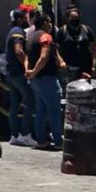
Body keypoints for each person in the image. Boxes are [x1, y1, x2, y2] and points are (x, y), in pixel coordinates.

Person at [26, 14, 65, 151]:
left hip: (36, 81)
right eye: (49, 22)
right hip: (46, 79)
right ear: (44, 23)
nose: (51, 25)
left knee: (41, 111)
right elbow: (44, 57)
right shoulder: (45, 37)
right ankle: (59, 141)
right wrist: (35, 71)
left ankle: (41, 140)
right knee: (54, 111)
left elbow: (27, 57)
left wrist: (29, 72)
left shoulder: (31, 38)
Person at [4, 10, 37, 147]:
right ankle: (25, 134)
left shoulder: (12, 31)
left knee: (14, 104)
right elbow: (18, 51)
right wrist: (27, 66)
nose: (25, 20)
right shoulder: (18, 31)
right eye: (24, 17)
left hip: (10, 74)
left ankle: (14, 135)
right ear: (18, 19)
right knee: (30, 100)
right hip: (18, 74)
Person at [56, 6, 96, 81]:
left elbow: (93, 49)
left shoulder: (87, 30)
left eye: (76, 17)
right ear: (68, 18)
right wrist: (61, 61)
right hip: (69, 68)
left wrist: (93, 65)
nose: (74, 19)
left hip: (85, 68)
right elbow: (56, 49)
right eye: (72, 17)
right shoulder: (62, 31)